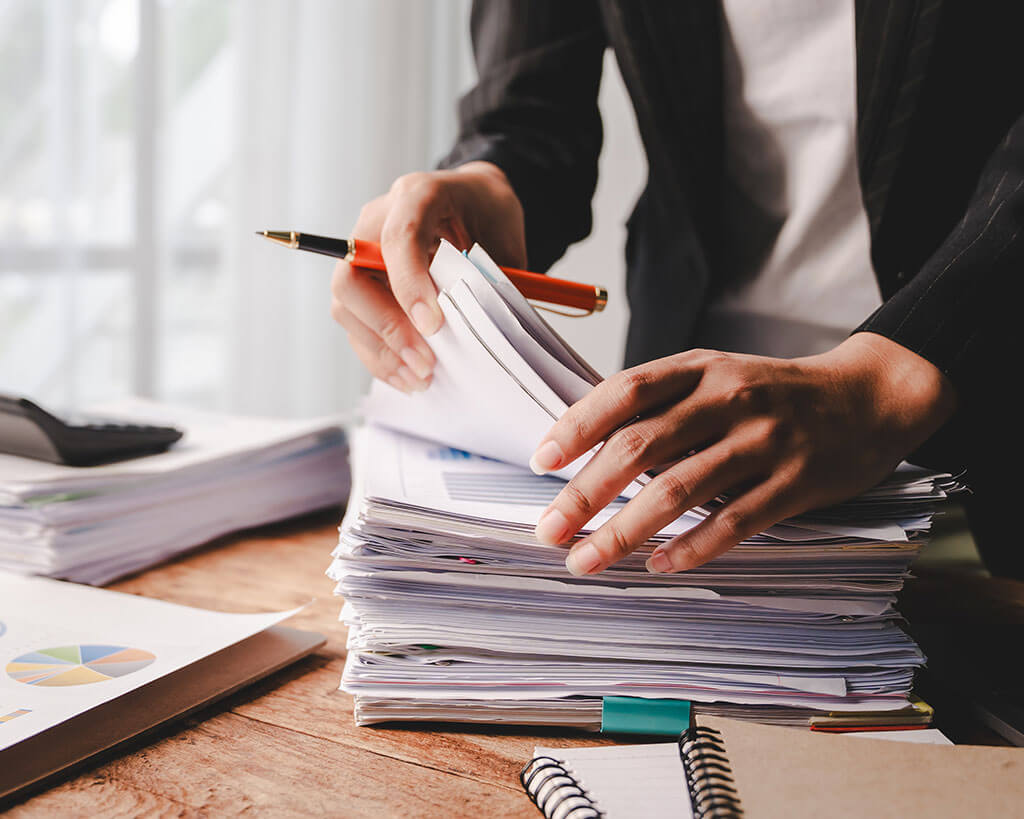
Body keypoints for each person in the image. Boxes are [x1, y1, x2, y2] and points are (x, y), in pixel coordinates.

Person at [330, 1, 1022, 578]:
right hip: (691, 451)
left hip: (983, 413)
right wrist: (488, 184)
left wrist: (889, 375)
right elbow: (529, 115)